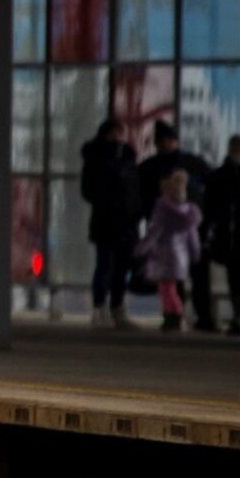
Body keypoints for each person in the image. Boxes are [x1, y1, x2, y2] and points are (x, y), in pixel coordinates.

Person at [140, 120, 217, 330]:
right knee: (186, 277)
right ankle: (189, 316)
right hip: (184, 233)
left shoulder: (152, 168)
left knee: (177, 278)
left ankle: (178, 316)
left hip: (173, 236)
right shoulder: (191, 164)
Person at [80, 118, 141, 329]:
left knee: (120, 268)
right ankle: (101, 308)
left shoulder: (127, 158)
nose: (118, 138)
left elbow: (134, 191)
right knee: (106, 266)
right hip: (108, 222)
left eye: (120, 133)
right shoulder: (97, 159)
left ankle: (115, 307)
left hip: (123, 223)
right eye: (115, 133)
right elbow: (89, 191)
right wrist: (113, 204)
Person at [139, 168, 204, 333]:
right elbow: (193, 237)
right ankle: (175, 316)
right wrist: (195, 253)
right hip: (180, 257)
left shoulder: (162, 210)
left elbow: (155, 232)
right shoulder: (189, 213)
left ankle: (173, 315)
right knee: (172, 287)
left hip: (164, 254)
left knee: (166, 288)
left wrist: (142, 248)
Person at [205, 135, 240, 337]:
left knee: (238, 276)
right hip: (232, 237)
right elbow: (211, 207)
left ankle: (239, 316)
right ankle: (239, 316)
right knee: (236, 276)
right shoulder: (220, 176)